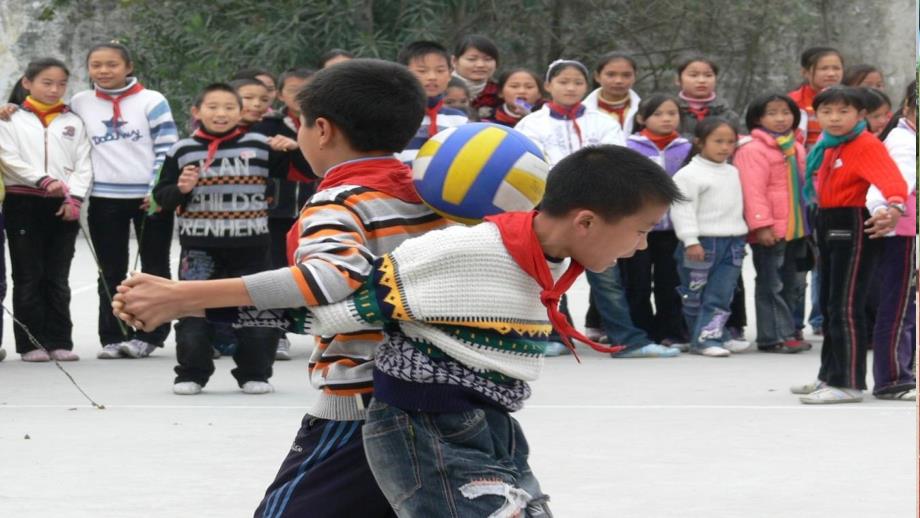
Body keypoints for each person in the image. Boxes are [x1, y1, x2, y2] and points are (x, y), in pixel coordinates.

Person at [113, 144, 683, 517]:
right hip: (412, 423)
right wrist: (184, 296)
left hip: (479, 423)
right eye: (639, 232)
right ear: (587, 220)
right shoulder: (466, 250)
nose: (641, 246)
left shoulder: (547, 254)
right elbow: (333, 301)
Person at [115, 59, 448, 517]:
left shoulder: (339, 201)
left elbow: (326, 280)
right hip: (447, 396)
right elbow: (336, 307)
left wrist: (184, 296)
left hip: (363, 405)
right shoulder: (430, 196)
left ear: (323, 131)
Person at [152, 83, 285, 395]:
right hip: (200, 250)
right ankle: (191, 373)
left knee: (258, 311)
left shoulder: (261, 144)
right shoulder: (182, 150)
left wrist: (290, 147)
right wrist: (181, 190)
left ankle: (255, 373)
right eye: (213, 107)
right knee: (193, 312)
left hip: (252, 248)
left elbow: (304, 170)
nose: (221, 113)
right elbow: (161, 198)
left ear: (242, 113)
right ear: (196, 112)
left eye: (229, 107)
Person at [791, 86, 907, 404]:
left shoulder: (864, 144)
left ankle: (847, 382)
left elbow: (893, 181)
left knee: (846, 305)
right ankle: (829, 375)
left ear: (860, 115)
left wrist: (895, 207)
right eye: (827, 111)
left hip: (853, 225)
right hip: (829, 222)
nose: (835, 118)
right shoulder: (829, 146)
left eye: (844, 111)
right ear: (816, 114)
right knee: (830, 305)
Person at [71, 42, 178, 359]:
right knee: (110, 270)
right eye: (96, 65)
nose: (103, 71)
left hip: (150, 199)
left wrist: (156, 190)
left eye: (112, 64)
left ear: (128, 66)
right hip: (105, 198)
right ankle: (114, 336)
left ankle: (150, 334)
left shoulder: (152, 100)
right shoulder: (80, 102)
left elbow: (167, 148)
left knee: (155, 268)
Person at [0, 58, 92, 362]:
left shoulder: (74, 122)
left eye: (61, 84)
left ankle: (60, 340)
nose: (54, 90)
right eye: (46, 83)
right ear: (27, 83)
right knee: (28, 275)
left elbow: (84, 164)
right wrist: (42, 179)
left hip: (63, 204)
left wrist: (75, 199)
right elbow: (8, 158)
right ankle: (30, 343)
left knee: (57, 275)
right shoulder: (9, 119)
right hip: (23, 202)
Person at [734, 93, 811, 353]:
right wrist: (762, 225)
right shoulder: (752, 149)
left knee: (790, 284)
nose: (780, 118)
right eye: (772, 113)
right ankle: (772, 336)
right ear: (758, 118)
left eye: (786, 112)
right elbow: (752, 190)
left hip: (795, 227)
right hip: (771, 229)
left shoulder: (794, 146)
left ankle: (787, 331)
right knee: (770, 284)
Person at [250, 68, 318, 360]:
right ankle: (275, 334)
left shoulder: (327, 123)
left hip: (316, 210)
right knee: (275, 270)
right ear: (278, 95)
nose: (300, 97)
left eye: (308, 90)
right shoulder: (266, 125)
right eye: (293, 91)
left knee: (318, 270)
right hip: (275, 212)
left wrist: (297, 147)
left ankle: (327, 330)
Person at [617, 94, 691, 351]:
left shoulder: (687, 148)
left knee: (670, 282)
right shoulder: (629, 147)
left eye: (671, 113)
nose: (666, 119)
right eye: (658, 114)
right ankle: (640, 331)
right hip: (638, 228)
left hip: (674, 229)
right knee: (636, 282)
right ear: (642, 118)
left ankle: (672, 331)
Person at [670, 117, 749, 357]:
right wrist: (690, 240)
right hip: (702, 243)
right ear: (699, 142)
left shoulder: (733, 171)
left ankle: (715, 335)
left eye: (730, 142)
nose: (725, 147)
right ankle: (704, 338)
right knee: (694, 294)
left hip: (733, 241)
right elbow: (682, 208)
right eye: (718, 141)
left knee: (722, 293)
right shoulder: (688, 174)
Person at [864, 81, 916, 401]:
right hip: (901, 234)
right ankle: (892, 377)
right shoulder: (903, 142)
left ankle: (902, 368)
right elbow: (890, 181)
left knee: (904, 306)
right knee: (897, 307)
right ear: (909, 107)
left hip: (907, 232)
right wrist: (886, 208)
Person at [516, 59, 625, 167]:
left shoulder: (604, 122)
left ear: (586, 87)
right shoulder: (531, 124)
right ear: (548, 86)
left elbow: (616, 158)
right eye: (563, 82)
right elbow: (528, 161)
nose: (571, 88)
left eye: (578, 83)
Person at [396, 41, 469, 164]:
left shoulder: (458, 119)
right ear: (404, 74)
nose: (432, 77)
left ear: (450, 74)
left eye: (440, 71)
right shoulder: (394, 116)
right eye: (422, 71)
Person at [788, 47, 844, 148]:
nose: (831, 74)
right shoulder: (792, 102)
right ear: (805, 72)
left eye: (836, 68)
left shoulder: (852, 100)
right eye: (824, 68)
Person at [675, 57, 741, 138]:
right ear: (678, 80)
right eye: (693, 75)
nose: (702, 80)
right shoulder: (669, 113)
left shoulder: (729, 116)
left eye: (708, 75)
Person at [584, 51, 642, 134]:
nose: (619, 81)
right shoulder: (580, 113)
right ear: (597, 77)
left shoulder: (647, 112)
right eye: (611, 75)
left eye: (626, 75)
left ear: (635, 77)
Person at [451, 34, 501, 120]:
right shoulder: (441, 89)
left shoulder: (500, 93)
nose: (480, 65)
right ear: (454, 61)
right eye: (472, 59)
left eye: (488, 59)